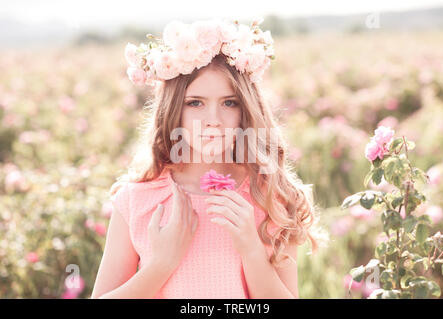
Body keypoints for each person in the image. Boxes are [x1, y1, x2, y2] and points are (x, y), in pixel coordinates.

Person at [91, 18, 321, 299]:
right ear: (174, 109)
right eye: (195, 103)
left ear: (245, 109)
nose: (212, 120)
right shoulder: (137, 199)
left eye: (229, 102)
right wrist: (161, 264)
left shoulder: (270, 196)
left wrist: (251, 250)